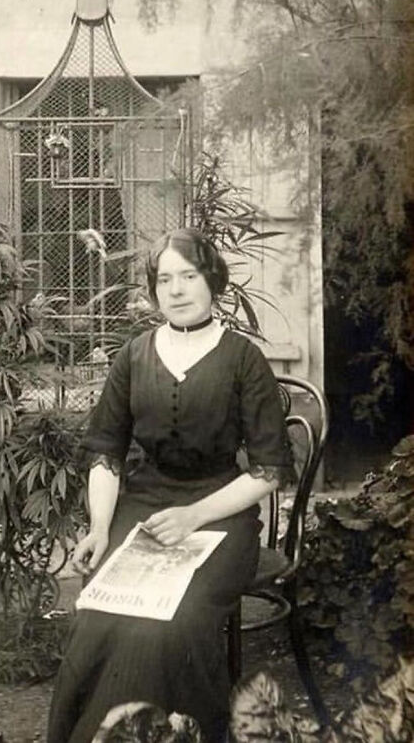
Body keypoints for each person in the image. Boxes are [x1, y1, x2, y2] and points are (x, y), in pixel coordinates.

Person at [47, 228, 294, 743]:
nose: (177, 290)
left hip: (221, 516)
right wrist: (97, 528)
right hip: (145, 506)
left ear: (212, 281)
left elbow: (268, 471)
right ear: (154, 289)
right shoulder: (134, 355)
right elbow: (105, 452)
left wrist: (194, 516)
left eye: (189, 276)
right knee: (98, 612)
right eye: (165, 279)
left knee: (172, 622)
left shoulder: (242, 358)